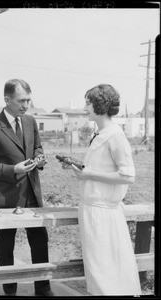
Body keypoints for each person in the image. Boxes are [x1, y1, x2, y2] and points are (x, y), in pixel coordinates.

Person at [60, 84, 141, 296]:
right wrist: (80, 167)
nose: (85, 106)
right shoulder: (101, 134)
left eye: (88, 102)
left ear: (101, 105)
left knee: (105, 271)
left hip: (103, 212)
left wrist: (88, 175)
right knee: (97, 270)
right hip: (91, 209)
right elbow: (101, 169)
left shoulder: (115, 135)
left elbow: (128, 176)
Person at [0, 79, 54, 297]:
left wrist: (39, 158)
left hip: (31, 194)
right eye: (21, 100)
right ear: (7, 99)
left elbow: (37, 147)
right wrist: (14, 169)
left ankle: (43, 288)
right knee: (6, 245)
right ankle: (9, 291)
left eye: (29, 100)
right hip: (4, 198)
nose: (26, 105)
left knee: (40, 240)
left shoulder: (30, 121)